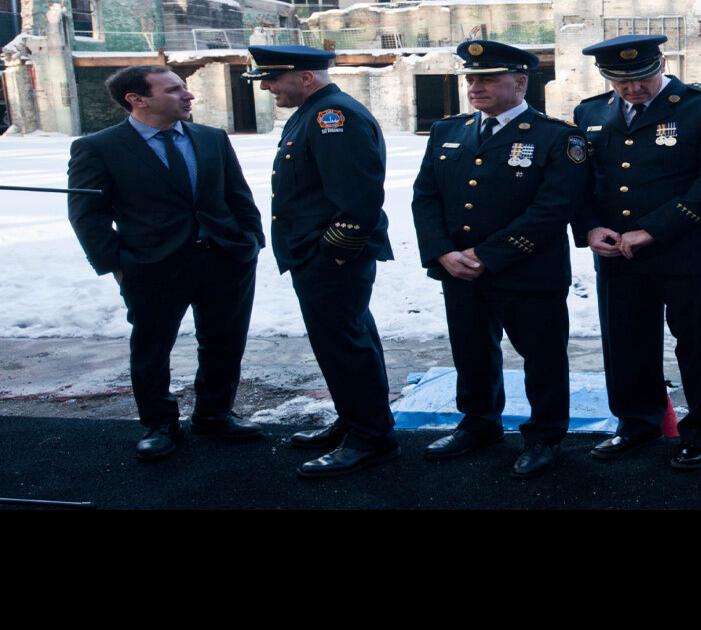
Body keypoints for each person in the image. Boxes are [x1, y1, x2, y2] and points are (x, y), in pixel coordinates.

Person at [67, 65, 265, 461]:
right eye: (174, 90)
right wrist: (117, 263)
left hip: (224, 260)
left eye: (185, 88)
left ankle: (214, 415)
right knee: (152, 347)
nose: (188, 95)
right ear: (137, 100)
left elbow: (237, 195)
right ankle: (158, 423)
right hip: (152, 266)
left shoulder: (211, 138)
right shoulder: (99, 147)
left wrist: (250, 240)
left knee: (224, 343)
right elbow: (86, 214)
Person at [410, 40, 589, 479]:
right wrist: (442, 252)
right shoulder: (447, 131)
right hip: (460, 272)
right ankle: (479, 424)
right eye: (471, 78)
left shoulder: (557, 137)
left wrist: (487, 255)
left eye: (488, 78)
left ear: (520, 82)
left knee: (543, 358)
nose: (475, 86)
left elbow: (553, 209)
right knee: (471, 352)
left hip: (528, 272)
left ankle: (545, 436)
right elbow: (425, 197)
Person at [572, 35, 701, 469]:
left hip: (693, 253)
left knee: (699, 346)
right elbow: (581, 182)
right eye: (619, 80)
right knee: (626, 343)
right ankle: (636, 424)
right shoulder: (591, 111)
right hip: (619, 255)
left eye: (642, 77)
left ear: (663, 63)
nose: (632, 89)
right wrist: (590, 228)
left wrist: (651, 230)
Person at [243, 45, 399, 478]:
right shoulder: (312, 110)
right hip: (318, 254)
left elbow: (358, 198)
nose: (268, 87)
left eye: (273, 78)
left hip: (331, 257)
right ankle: (357, 421)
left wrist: (330, 253)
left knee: (345, 345)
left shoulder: (334, 116)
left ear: (306, 77)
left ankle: (371, 439)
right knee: (344, 342)